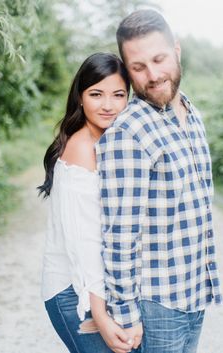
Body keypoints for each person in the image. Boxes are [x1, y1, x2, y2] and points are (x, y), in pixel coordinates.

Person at [93, 9, 223, 353]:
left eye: (159, 59)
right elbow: (120, 234)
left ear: (176, 51)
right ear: (127, 69)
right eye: (138, 67)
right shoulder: (129, 131)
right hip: (157, 306)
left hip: (194, 292)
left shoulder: (191, 113)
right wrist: (125, 314)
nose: (152, 74)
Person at [38, 52, 140, 353]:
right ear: (80, 97)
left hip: (94, 288)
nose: (108, 105)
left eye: (118, 95)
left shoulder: (107, 141)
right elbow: (85, 243)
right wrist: (100, 313)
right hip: (74, 291)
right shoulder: (82, 147)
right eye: (96, 94)